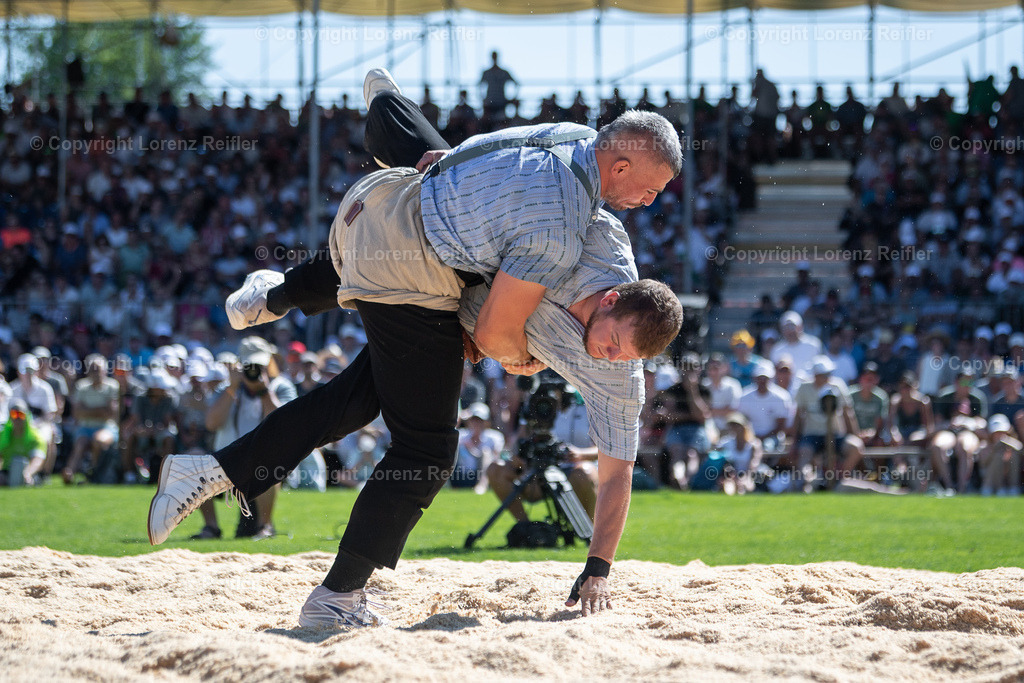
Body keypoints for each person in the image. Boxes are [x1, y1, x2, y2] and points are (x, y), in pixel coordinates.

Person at [148, 71, 684, 627]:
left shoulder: (579, 154)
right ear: (619, 166)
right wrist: (520, 358)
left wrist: (599, 564)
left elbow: (492, 149)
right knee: (426, 451)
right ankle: (336, 597)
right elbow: (500, 327)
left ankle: (256, 346)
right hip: (415, 262)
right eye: (650, 188)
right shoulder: (566, 227)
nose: (649, 202)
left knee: (352, 401)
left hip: (402, 215)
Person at [194, 336, 297, 540]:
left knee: (267, 467)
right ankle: (211, 528)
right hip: (226, 463)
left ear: (269, 362)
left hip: (264, 466)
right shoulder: (226, 388)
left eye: (258, 365)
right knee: (195, 461)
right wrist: (231, 389)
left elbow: (286, 426)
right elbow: (211, 424)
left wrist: (265, 392)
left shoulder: (281, 387)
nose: (254, 370)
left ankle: (265, 527)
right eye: (249, 365)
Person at [790, 356, 865, 490]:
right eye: (823, 374)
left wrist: (855, 435)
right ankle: (805, 486)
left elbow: (848, 413)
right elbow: (798, 416)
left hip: (836, 434)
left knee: (856, 447)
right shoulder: (804, 388)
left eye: (828, 374)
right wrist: (794, 440)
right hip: (812, 435)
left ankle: (837, 480)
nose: (826, 377)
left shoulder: (837, 385)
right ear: (815, 375)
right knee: (804, 454)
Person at [653, 353, 711, 490]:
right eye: (686, 368)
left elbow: (702, 416)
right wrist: (690, 415)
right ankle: (679, 479)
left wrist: (692, 391)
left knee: (692, 454)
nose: (688, 372)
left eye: (692, 368)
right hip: (677, 429)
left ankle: (686, 483)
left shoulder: (703, 390)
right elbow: (670, 417)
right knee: (677, 451)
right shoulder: (673, 390)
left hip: (697, 429)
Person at [63, 354, 120, 484]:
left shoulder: (112, 386)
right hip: (85, 427)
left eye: (98, 369)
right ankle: (70, 472)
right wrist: (100, 410)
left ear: (105, 371)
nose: (96, 373)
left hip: (106, 427)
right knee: (80, 443)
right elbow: (76, 413)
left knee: (98, 440)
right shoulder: (81, 386)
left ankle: (93, 472)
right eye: (92, 370)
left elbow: (110, 414)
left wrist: (87, 410)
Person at [453, 402, 504, 492]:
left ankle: (482, 485)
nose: (476, 423)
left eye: (480, 421)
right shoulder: (461, 435)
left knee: (486, 453)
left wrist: (472, 449)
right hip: (460, 476)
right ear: (469, 421)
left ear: (486, 422)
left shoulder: (494, 437)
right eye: (474, 420)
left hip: (483, 474)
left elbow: (496, 457)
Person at [0, 399, 46, 486]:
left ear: (26, 416)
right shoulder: (2, 436)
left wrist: (28, 473)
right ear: (10, 417)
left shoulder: (36, 437)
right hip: (7, 471)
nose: (17, 418)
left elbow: (38, 459)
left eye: (20, 415)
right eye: (14, 414)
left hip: (28, 473)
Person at [479, 51, 517, 119]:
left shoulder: (504, 72)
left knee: (501, 121)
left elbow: (515, 84)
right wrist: (483, 99)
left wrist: (512, 98)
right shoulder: (486, 73)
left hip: (501, 103)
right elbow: (479, 86)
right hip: (490, 104)